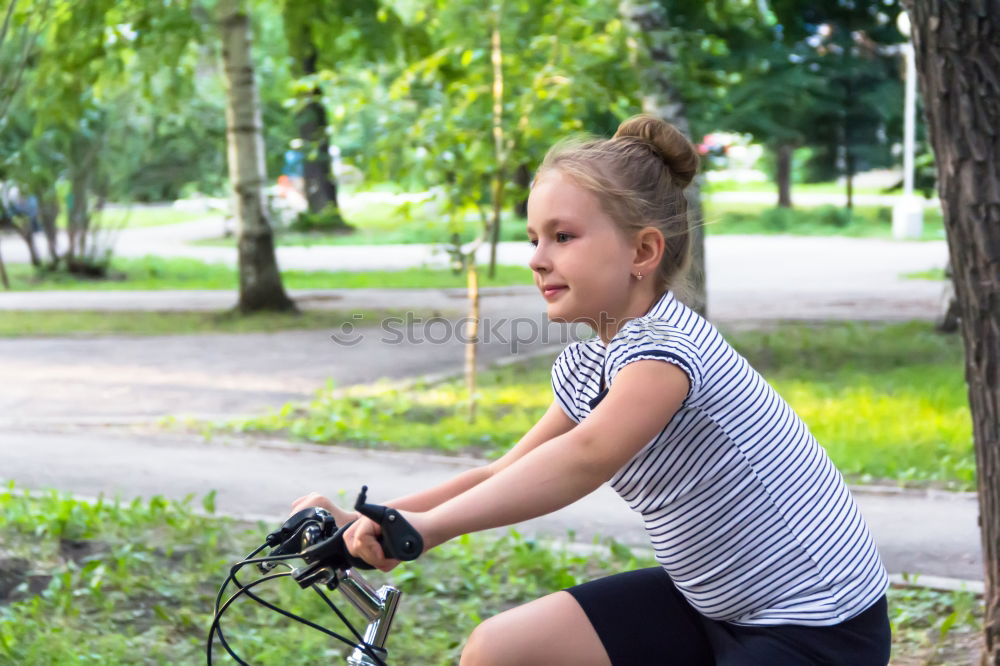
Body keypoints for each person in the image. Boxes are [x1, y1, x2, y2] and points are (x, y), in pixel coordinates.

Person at [290, 114, 891, 665]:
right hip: (713, 604)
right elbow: (500, 473)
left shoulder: (667, 351)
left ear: (642, 251)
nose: (536, 259)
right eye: (533, 239)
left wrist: (430, 530)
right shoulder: (589, 363)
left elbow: (586, 457)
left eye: (563, 237)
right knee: (499, 649)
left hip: (815, 626)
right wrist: (379, 519)